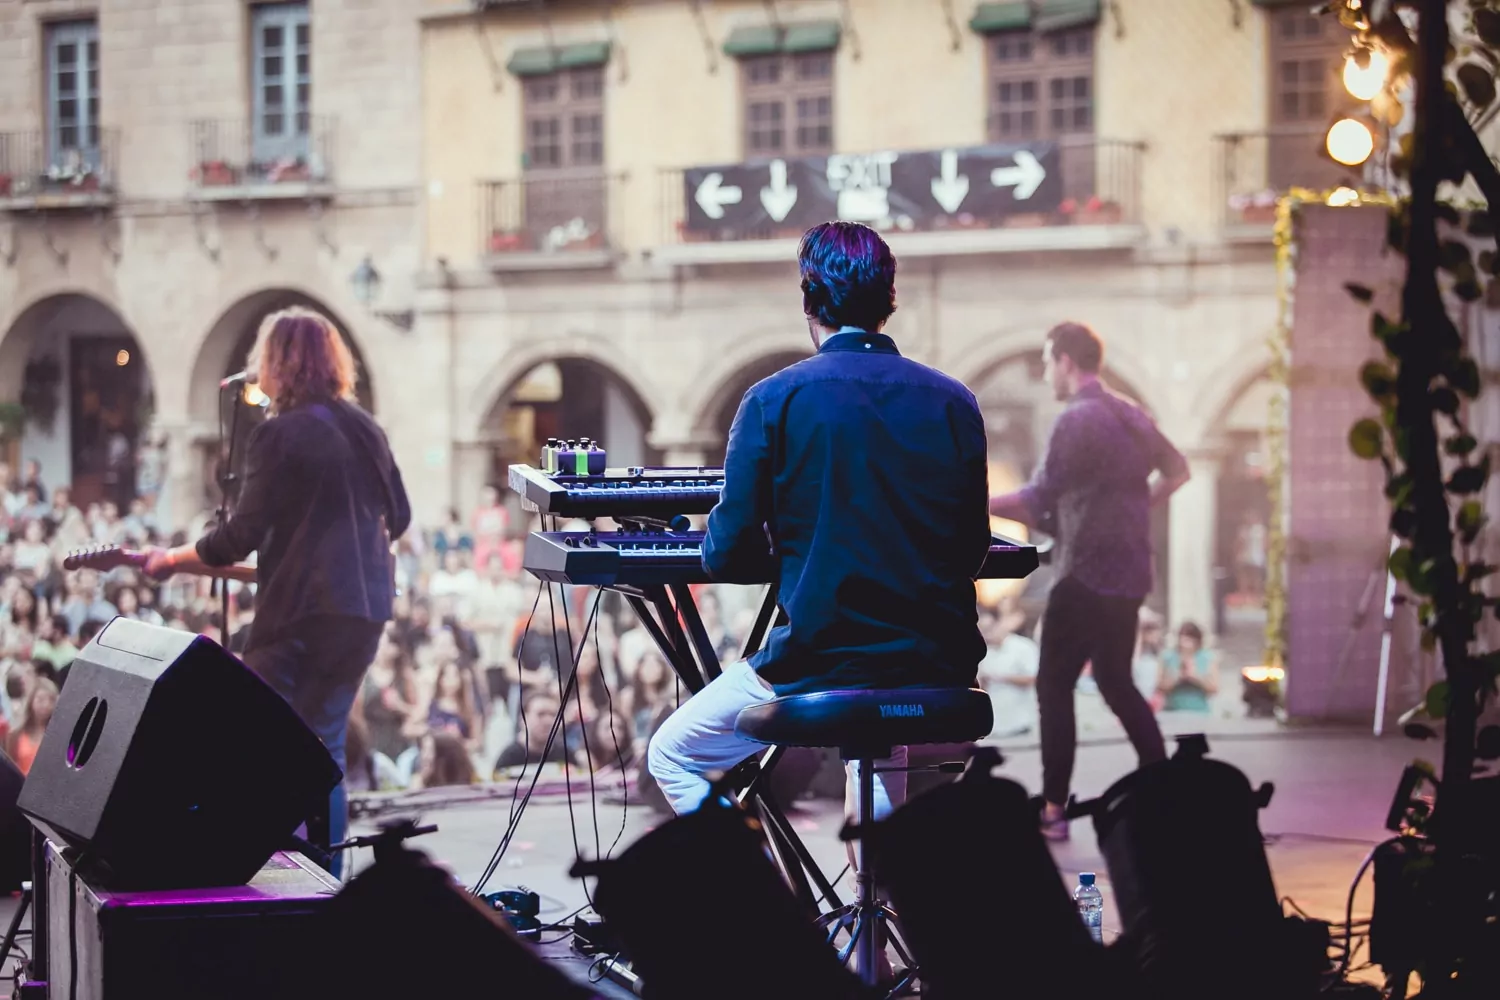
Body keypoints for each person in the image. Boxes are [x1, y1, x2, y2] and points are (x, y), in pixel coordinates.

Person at [647, 221, 992, 830]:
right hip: (937, 664)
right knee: (880, 742)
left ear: (809, 300)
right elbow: (970, 551)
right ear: (889, 300)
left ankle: (759, 885)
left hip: (821, 664)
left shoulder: (771, 400)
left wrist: (797, 545)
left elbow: (725, 555)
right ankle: (880, 888)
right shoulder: (954, 401)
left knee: (673, 753)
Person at [143, 306, 411, 877]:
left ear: (277, 362)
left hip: (301, 616)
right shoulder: (366, 427)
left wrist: (171, 559)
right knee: (325, 745)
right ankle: (325, 879)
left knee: (257, 736)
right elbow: (402, 516)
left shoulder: (277, 434)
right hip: (364, 613)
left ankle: (257, 869)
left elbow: (237, 538)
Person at [988, 321, 1190, 840]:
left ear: (1066, 361)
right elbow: (1179, 470)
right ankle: (1163, 788)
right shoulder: (1129, 412)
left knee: (1053, 684)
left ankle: (1053, 810)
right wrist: (1137, 511)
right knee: (1116, 680)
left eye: (1047, 362)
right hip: (1130, 574)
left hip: (1084, 574)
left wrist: (975, 503)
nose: (1046, 373)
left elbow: (1035, 500)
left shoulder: (1076, 419)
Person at [1157, 621, 1220, 713]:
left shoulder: (1208, 657)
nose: (1184, 643)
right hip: (1172, 710)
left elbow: (1214, 689)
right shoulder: (1168, 656)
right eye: (1182, 637)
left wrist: (1195, 677)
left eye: (1189, 639)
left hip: (1199, 711)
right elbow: (1160, 687)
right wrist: (1179, 677)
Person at [6, 677, 57, 775]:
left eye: (51, 700)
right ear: (31, 701)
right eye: (40, 700)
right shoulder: (16, 734)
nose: (46, 705)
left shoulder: (58, 734)